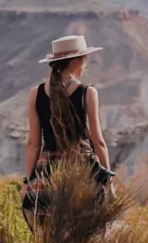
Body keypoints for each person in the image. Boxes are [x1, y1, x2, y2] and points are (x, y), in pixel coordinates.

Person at [21, 34, 113, 227]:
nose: (85, 65)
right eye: (84, 60)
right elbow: (98, 142)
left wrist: (28, 183)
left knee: (46, 240)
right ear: (75, 61)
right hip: (81, 168)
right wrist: (109, 182)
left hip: (47, 171)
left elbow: (33, 143)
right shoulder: (87, 92)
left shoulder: (35, 93)